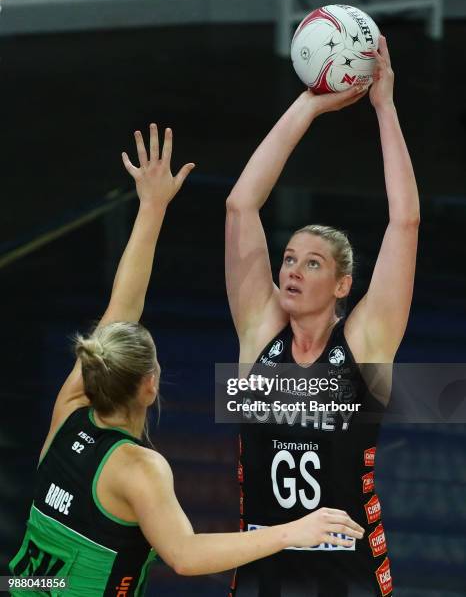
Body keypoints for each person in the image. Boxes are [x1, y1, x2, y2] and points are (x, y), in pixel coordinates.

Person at [8, 125, 365, 596]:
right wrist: (293, 531)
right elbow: (185, 555)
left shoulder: (70, 411)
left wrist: (152, 207)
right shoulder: (139, 469)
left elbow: (122, 308)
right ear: (149, 386)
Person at [225, 36, 419, 596]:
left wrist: (385, 108)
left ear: (341, 286)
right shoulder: (259, 333)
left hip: (347, 575)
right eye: (288, 259)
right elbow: (241, 205)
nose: (291, 270)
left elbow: (403, 224)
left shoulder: (363, 343)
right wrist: (309, 103)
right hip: (265, 570)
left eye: (311, 264)